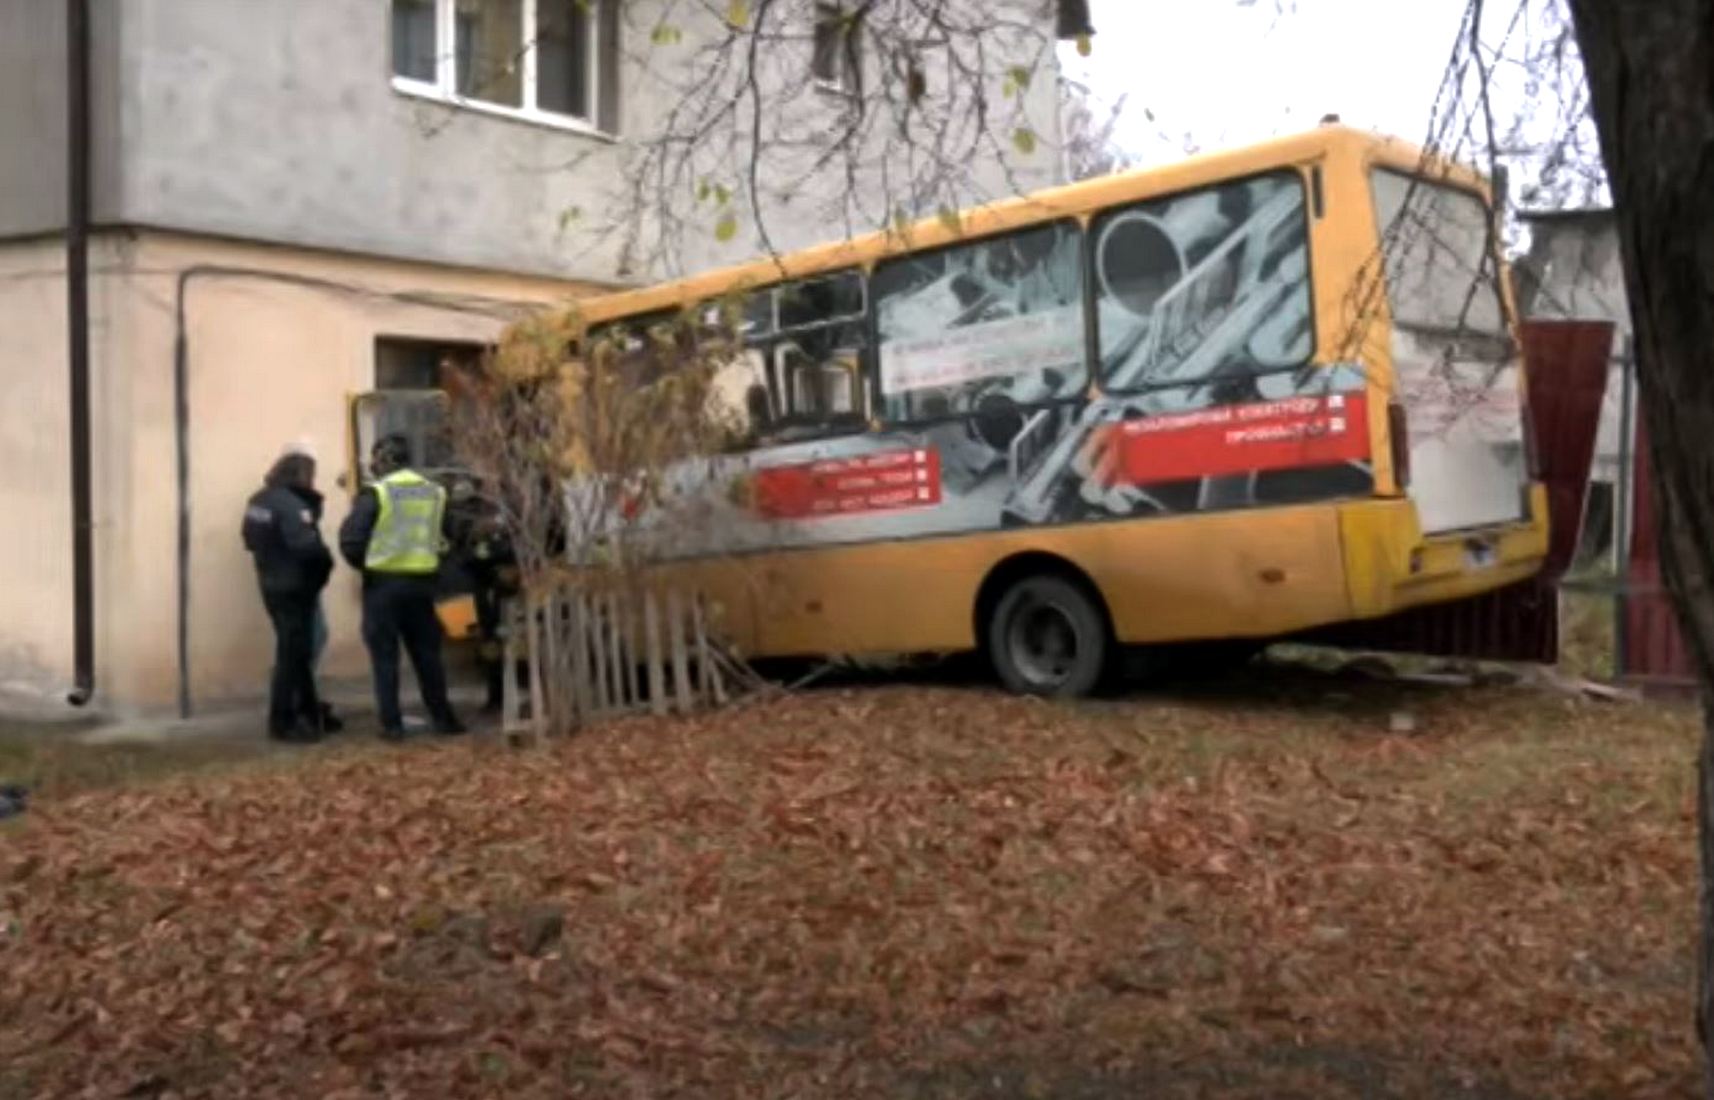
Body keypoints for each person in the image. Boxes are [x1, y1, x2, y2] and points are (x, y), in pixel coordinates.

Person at [339, 434, 467, 740]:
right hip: (422, 585)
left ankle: (392, 725)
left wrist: (370, 566)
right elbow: (450, 537)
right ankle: (443, 718)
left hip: (383, 586)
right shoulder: (435, 492)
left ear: (383, 460)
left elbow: (351, 541)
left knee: (385, 657)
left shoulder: (377, 493)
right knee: (428, 655)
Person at [242, 448, 335, 742]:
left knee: (297, 651)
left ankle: (307, 713)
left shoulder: (259, 499)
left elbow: (250, 539)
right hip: (296, 586)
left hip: (271, 582)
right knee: (295, 653)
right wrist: (325, 566)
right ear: (301, 475)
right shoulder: (291, 505)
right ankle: (284, 719)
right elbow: (307, 548)